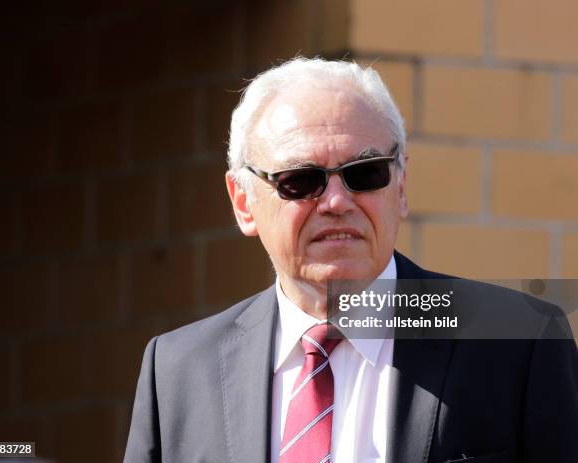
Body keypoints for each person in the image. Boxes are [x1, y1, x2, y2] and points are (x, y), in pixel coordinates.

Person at [123, 58, 578, 463]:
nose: (337, 201)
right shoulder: (179, 368)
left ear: (400, 187)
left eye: (366, 173)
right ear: (243, 201)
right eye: (300, 180)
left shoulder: (520, 340)